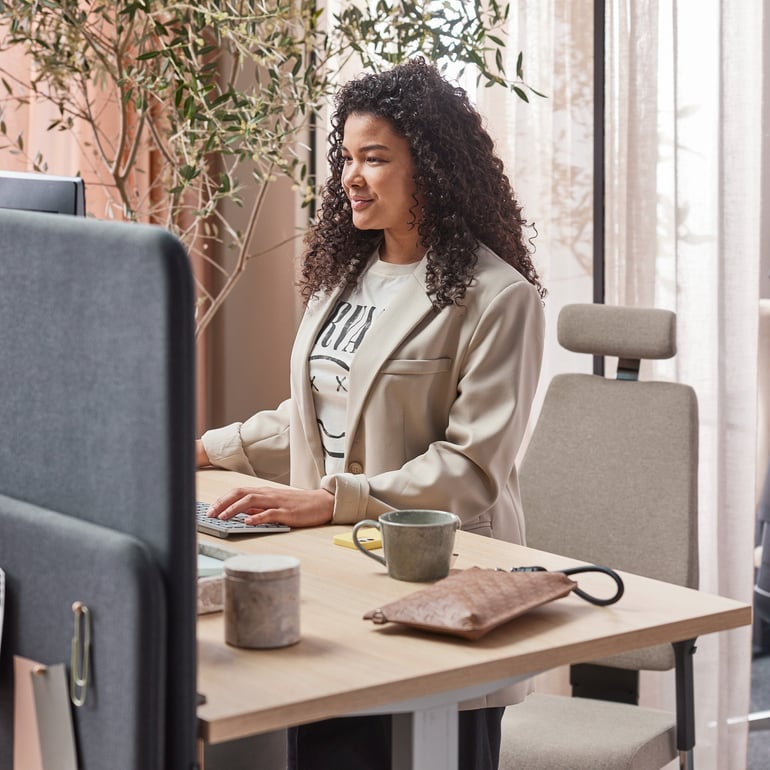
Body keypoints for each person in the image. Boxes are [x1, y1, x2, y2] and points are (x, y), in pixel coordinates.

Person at [197, 57, 546, 770]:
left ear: (434, 168)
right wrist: (204, 450)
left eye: (376, 158)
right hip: (333, 577)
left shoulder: (497, 298)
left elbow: (471, 469)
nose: (352, 177)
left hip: (437, 591)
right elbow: (315, 414)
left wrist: (328, 501)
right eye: (347, 158)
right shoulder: (344, 278)